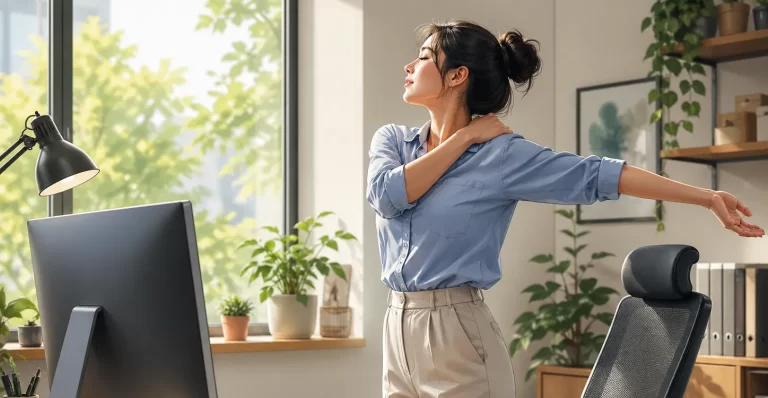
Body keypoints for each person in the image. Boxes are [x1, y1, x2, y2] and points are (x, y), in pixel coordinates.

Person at [366, 20, 764, 398]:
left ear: (457, 75)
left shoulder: (501, 155)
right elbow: (386, 196)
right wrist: (465, 136)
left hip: (458, 334)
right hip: (397, 329)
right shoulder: (394, 143)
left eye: (423, 56)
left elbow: (600, 175)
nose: (409, 65)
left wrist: (707, 197)